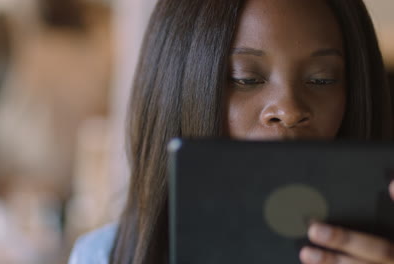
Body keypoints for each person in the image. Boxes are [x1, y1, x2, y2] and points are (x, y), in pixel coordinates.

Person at [69, 0, 394, 263]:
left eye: (322, 79)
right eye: (246, 79)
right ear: (180, 91)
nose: (289, 110)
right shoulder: (101, 256)